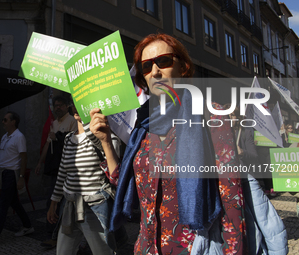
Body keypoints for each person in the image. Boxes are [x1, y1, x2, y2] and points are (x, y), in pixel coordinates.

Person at [89, 33, 288, 255]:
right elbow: (131, 188)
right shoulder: (143, 126)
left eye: (163, 61)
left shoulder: (211, 116)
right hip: (147, 248)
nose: (155, 72)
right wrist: (106, 141)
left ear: (183, 67)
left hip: (194, 248)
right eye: (146, 67)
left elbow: (232, 200)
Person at [47, 105, 124, 255]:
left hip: (94, 206)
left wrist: (89, 123)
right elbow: (63, 171)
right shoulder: (69, 138)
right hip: (70, 206)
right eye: (74, 102)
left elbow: (114, 169)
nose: (77, 107)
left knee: (102, 251)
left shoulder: (107, 138)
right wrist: (54, 202)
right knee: (63, 252)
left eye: (83, 103)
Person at [0, 111, 34, 249]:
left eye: (5, 120)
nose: (3, 122)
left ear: (13, 122)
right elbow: (0, 155)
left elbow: (24, 158)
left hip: (11, 174)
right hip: (2, 173)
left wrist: (21, 178)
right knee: (14, 203)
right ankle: (28, 226)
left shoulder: (19, 137)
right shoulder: (5, 136)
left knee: (3, 205)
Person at [35, 95, 77, 249]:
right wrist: (40, 162)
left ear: (67, 106)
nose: (57, 107)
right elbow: (47, 144)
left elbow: (73, 142)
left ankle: (59, 234)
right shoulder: (53, 123)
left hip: (66, 167)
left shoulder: (72, 122)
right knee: (53, 199)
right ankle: (54, 233)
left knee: (60, 201)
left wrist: (58, 138)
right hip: (54, 167)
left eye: (60, 105)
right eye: (55, 105)